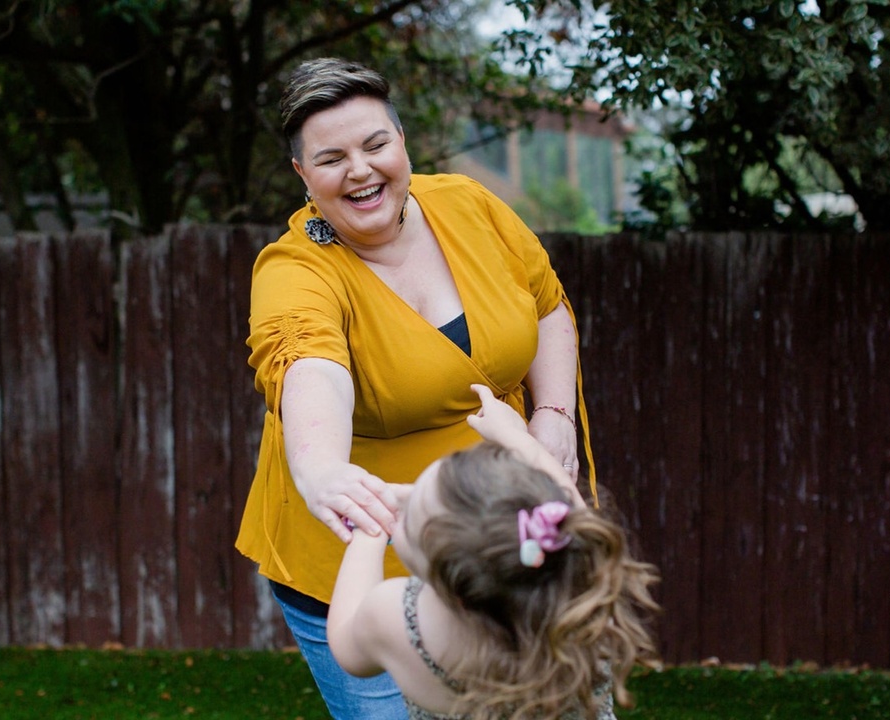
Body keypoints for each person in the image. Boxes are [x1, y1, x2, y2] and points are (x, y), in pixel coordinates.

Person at [236, 56, 594, 719]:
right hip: (365, 563)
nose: (361, 169)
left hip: (501, 546)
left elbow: (546, 307)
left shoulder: (470, 204)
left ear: (403, 142)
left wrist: (552, 415)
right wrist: (323, 474)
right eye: (332, 157)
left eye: (376, 144)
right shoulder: (294, 270)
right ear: (302, 176)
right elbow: (309, 363)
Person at [328, 384, 660, 719]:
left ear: (450, 578)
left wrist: (367, 533)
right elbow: (563, 503)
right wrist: (516, 436)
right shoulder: (582, 593)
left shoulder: (394, 618)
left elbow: (345, 644)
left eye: (410, 516)